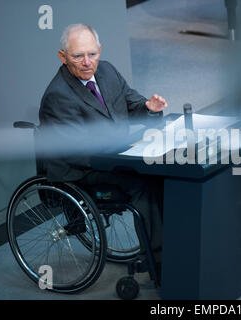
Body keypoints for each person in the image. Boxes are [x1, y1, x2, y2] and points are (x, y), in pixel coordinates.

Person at [38, 23, 167, 264]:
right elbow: (78, 153)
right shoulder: (58, 95)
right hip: (83, 169)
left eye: (92, 54)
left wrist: (149, 109)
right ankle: (160, 263)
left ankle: (174, 242)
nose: (87, 62)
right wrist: (127, 157)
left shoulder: (107, 71)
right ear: (63, 57)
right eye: (78, 56)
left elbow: (134, 103)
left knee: (168, 172)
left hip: (115, 156)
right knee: (143, 182)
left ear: (99, 50)